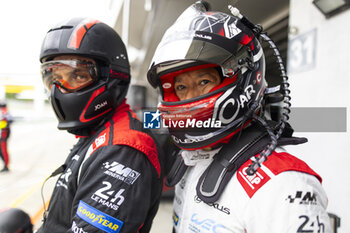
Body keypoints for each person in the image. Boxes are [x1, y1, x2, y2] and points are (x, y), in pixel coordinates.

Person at [147, 2, 332, 232]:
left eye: (204, 82)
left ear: (242, 78)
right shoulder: (190, 159)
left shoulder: (284, 186)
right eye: (181, 87)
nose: (189, 97)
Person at [37, 18, 165, 233]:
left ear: (111, 76)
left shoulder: (122, 148)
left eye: (77, 75)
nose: (59, 90)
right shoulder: (97, 133)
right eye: (55, 78)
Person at [0, 101, 12, 172]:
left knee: (3, 150)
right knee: (2, 150)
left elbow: (10, 121)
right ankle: (5, 164)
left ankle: (6, 166)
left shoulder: (4, 112)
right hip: (3, 133)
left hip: (4, 133)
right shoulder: (4, 111)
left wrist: (4, 125)